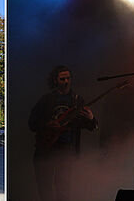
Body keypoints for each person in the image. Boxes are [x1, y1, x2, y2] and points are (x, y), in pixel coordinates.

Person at [29, 65, 98, 201]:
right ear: (56, 80)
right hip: (46, 148)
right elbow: (32, 123)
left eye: (68, 78)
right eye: (62, 79)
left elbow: (90, 126)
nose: (66, 81)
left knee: (64, 189)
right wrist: (47, 124)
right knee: (45, 188)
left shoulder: (77, 100)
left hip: (66, 149)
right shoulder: (46, 100)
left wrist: (91, 118)